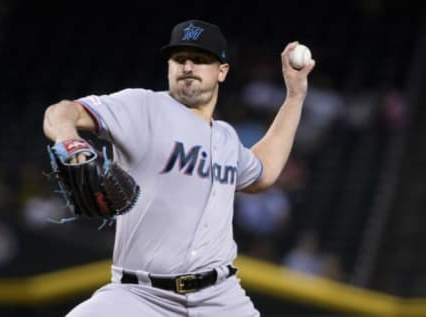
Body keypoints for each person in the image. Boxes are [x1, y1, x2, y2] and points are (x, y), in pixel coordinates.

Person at [43, 19, 314, 317]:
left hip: (220, 297)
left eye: (199, 60)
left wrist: (295, 95)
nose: (187, 66)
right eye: (179, 58)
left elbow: (264, 173)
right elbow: (60, 112)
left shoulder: (226, 137)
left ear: (222, 71)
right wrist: (69, 140)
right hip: (140, 296)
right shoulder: (143, 106)